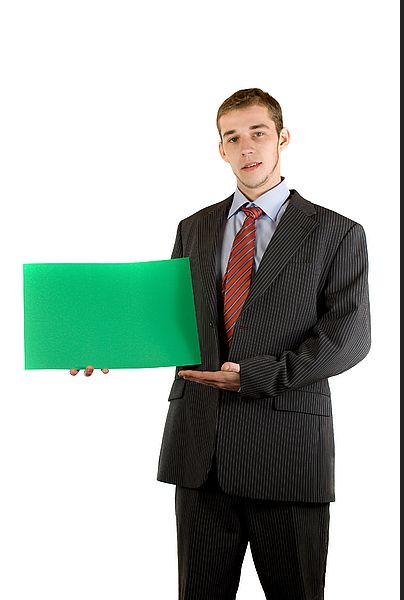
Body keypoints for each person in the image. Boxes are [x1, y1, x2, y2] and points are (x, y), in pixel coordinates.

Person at [72, 88, 371, 600]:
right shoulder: (195, 227)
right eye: (232, 137)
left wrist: (256, 375)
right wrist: (108, 345)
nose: (246, 146)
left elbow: (350, 337)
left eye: (258, 133)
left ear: (282, 138)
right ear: (221, 150)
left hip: (288, 452)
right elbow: (168, 320)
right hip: (200, 449)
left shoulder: (336, 232)